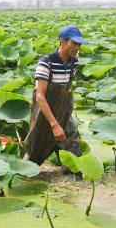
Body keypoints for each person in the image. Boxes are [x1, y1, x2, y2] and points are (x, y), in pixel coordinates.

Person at [23, 24, 88, 166]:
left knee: (71, 141)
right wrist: (54, 124)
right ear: (62, 41)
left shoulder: (73, 63)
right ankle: (23, 171)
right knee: (35, 148)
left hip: (63, 110)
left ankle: (73, 172)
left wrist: (67, 112)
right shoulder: (46, 62)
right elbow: (40, 96)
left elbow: (67, 88)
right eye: (74, 43)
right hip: (43, 111)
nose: (77, 48)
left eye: (79, 44)